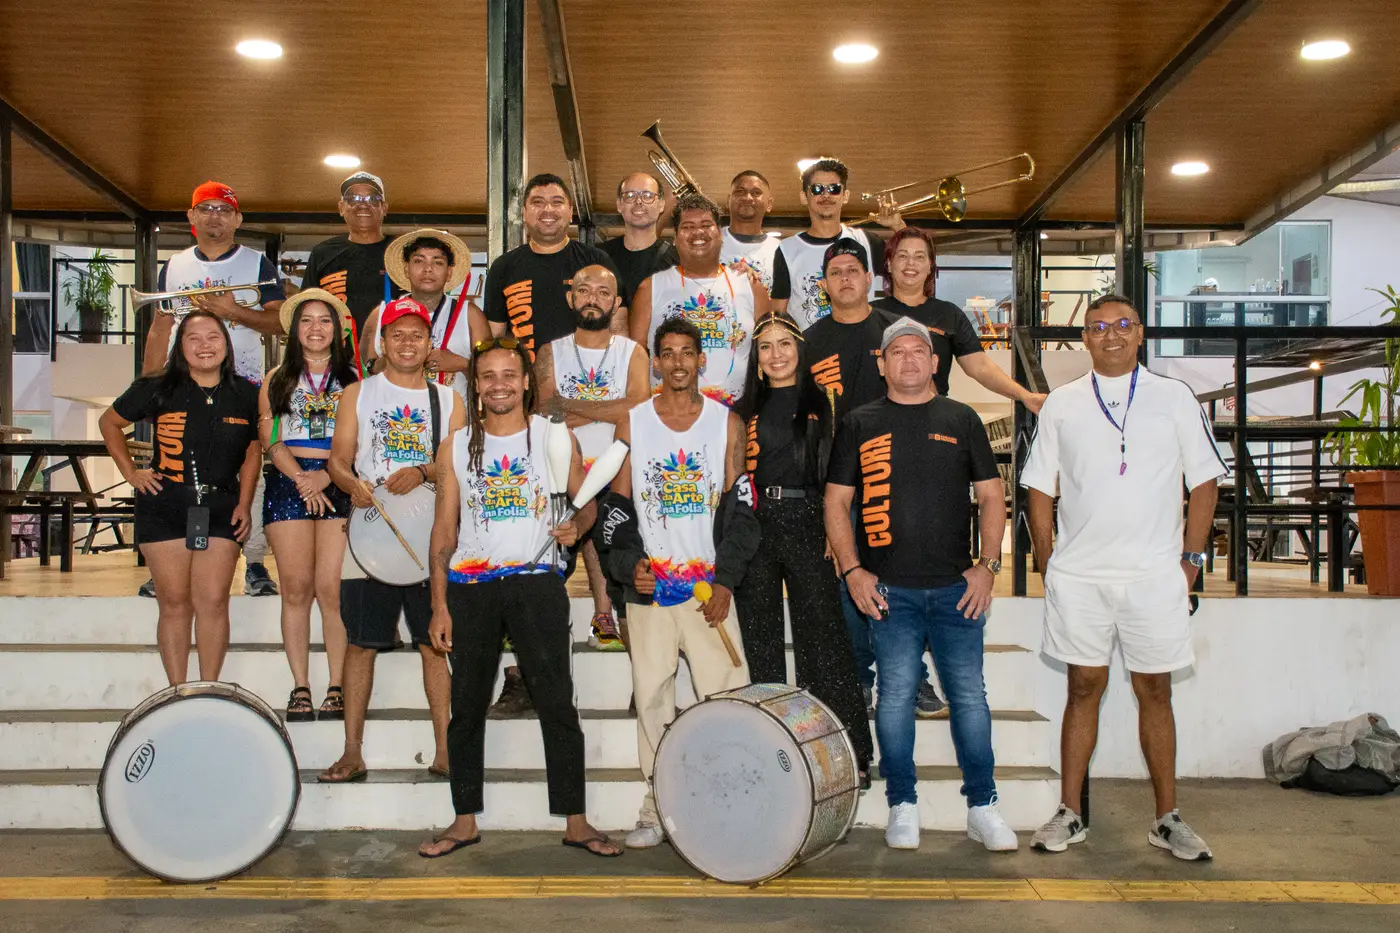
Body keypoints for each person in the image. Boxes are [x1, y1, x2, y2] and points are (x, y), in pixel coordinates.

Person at [1021, 295, 1227, 861]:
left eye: (1122, 325)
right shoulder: (1062, 403)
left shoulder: (1174, 398)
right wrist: (1048, 562)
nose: (1110, 334)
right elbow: (1038, 486)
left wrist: (1191, 562)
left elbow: (1205, 482)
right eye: (1097, 327)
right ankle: (1070, 813)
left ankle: (1167, 819)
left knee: (1154, 690)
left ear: (1139, 334)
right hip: (1081, 578)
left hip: (1154, 577)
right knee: (1082, 688)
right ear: (1084, 339)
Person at [417, 338, 621, 858]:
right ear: (476, 384)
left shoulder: (553, 436)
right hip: (471, 587)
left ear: (527, 382)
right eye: (488, 376)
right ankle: (464, 820)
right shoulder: (456, 445)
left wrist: (577, 525)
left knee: (557, 702)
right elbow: (443, 530)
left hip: (536, 583)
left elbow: (586, 502)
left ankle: (576, 821)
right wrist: (439, 604)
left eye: (509, 375)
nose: (499, 385)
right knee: (466, 707)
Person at [824, 316, 1017, 853]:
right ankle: (902, 804)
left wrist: (988, 565)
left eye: (918, 351)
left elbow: (992, 495)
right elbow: (836, 502)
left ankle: (983, 806)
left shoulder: (962, 418)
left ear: (935, 362)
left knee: (969, 698)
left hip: (958, 590)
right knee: (894, 698)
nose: (908, 359)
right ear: (882, 364)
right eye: (897, 352)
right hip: (889, 592)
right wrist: (853, 571)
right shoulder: (859, 423)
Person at [601, 318, 761, 849]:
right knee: (652, 700)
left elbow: (743, 512)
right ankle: (658, 805)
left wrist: (727, 581)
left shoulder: (726, 423)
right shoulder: (633, 422)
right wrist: (630, 566)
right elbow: (616, 510)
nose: (676, 363)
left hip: (706, 593)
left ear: (701, 360)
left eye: (686, 352)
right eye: (666, 353)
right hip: (651, 591)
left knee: (727, 696)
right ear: (655, 362)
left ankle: (733, 800)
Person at [319, 297, 467, 783]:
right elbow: (338, 460)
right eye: (397, 335)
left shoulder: (448, 399)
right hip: (371, 534)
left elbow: (460, 463)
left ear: (430, 344)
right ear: (381, 343)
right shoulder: (358, 393)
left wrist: (424, 470)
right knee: (359, 645)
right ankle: (352, 751)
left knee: (434, 644)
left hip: (430, 536)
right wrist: (352, 484)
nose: (407, 343)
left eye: (416, 335)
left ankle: (445, 750)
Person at [805, 238, 944, 718]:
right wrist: (826, 504)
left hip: (899, 484)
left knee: (903, 586)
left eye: (853, 270)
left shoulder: (896, 332)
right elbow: (808, 425)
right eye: (835, 272)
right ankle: (860, 681)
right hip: (840, 489)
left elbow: (929, 402)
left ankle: (912, 678)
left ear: (869, 279)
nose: (845, 278)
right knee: (851, 588)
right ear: (824, 285)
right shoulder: (809, 341)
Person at [735, 312, 874, 786]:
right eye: (766, 346)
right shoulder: (743, 410)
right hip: (756, 524)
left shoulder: (825, 403)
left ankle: (847, 753)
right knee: (762, 640)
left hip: (810, 520)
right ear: (756, 358)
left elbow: (840, 476)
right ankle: (772, 752)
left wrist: (839, 533)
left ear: (800, 349)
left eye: (785, 344)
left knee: (824, 640)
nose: (776, 354)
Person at [138, 180, 283, 599]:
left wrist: (232, 311)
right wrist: (150, 385)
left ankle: (253, 561)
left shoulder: (258, 264)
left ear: (237, 219)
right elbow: (161, 326)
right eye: (206, 208)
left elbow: (279, 321)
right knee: (178, 470)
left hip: (244, 383)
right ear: (191, 216)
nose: (214, 216)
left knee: (249, 470)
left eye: (223, 209)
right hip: (182, 385)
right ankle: (170, 563)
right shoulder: (174, 265)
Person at [100, 310, 261, 685]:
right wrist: (130, 472)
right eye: (194, 338)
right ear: (180, 345)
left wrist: (244, 503)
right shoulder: (158, 386)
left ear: (226, 344)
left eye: (213, 337)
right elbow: (110, 422)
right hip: (165, 504)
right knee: (174, 603)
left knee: (214, 602)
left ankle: (207, 687)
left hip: (222, 508)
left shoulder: (246, 393)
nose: (205, 345)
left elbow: (253, 451)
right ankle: (177, 692)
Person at [534, 265, 650, 652]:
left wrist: (571, 406)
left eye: (603, 292)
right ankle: (543, 626)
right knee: (558, 547)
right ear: (571, 298)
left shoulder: (633, 352)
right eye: (584, 290)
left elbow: (639, 408)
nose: (593, 299)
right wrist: (611, 409)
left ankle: (608, 616)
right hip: (564, 467)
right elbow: (546, 410)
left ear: (616, 302)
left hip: (621, 469)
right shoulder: (550, 352)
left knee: (615, 543)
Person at [259, 289, 359, 722]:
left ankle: (336, 685)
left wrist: (329, 476)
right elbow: (270, 437)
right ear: (293, 330)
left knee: (331, 589)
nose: (315, 328)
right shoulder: (276, 378)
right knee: (296, 588)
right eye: (306, 320)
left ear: (337, 330)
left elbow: (363, 437)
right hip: (289, 482)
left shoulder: (354, 379)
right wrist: (302, 478)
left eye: (324, 320)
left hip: (338, 480)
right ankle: (300, 685)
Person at [874, 226, 1046, 412]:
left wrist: (1024, 395)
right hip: (876, 417)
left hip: (932, 417)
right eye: (902, 256)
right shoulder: (870, 313)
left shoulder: (949, 314)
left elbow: (981, 367)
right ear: (889, 264)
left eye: (919, 257)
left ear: (930, 266)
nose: (910, 263)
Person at [630, 193, 768, 409]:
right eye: (687, 227)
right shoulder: (650, 288)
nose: (698, 232)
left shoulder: (750, 285)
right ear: (675, 238)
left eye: (706, 225)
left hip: (736, 413)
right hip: (667, 414)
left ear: (720, 234)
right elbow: (635, 360)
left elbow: (768, 347)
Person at [483, 173, 619, 359]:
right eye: (537, 202)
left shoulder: (596, 261)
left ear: (570, 211)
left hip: (588, 374)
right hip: (527, 375)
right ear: (524, 212)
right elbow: (494, 338)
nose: (548, 209)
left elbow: (618, 327)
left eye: (557, 202)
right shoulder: (503, 267)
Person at [770, 158, 897, 330]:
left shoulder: (867, 241)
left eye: (834, 189)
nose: (826, 195)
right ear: (804, 197)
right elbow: (778, 315)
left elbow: (911, 274)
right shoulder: (787, 249)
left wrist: (898, 226)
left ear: (845, 195)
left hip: (865, 341)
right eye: (817, 189)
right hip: (812, 345)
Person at [362, 229, 487, 403]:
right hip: (392, 416)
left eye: (438, 262)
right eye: (418, 261)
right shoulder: (382, 313)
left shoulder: (470, 315)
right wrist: (388, 361)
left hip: (453, 418)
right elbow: (363, 370)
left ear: (449, 272)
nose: (428, 269)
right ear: (406, 269)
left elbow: (491, 372)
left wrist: (462, 364)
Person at [300, 172, 402, 340]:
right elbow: (306, 307)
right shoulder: (322, 252)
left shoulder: (400, 251)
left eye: (372, 199)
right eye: (353, 199)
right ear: (341, 207)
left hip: (391, 351)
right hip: (336, 351)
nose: (362, 205)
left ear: (384, 208)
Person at [598, 172, 677, 310]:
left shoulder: (678, 260)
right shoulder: (598, 256)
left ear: (661, 205)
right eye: (629, 196)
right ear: (619, 204)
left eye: (648, 196)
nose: (639, 201)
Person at [719, 170, 780, 292]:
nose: (747, 198)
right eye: (740, 192)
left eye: (756, 193)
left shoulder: (781, 251)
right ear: (728, 200)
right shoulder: (709, 243)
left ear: (769, 204)